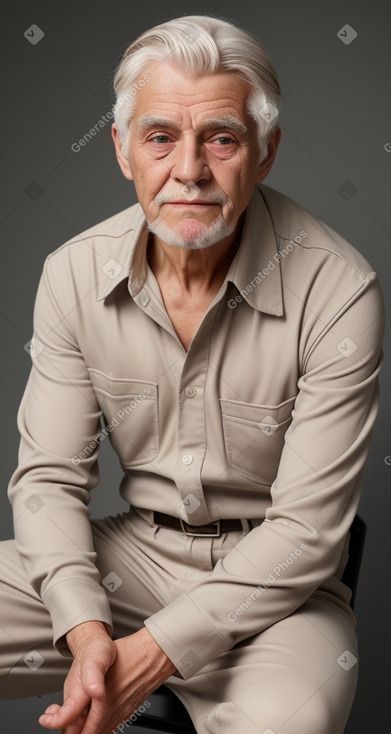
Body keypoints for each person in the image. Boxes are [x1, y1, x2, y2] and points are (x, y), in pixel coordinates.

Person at [0, 14, 384, 734]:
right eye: (159, 137)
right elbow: (49, 480)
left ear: (264, 152)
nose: (189, 170)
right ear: (121, 149)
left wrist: (150, 653)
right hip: (127, 556)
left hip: (278, 590)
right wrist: (87, 633)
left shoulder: (338, 288)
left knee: (286, 724)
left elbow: (306, 531)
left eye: (221, 138)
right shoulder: (72, 274)